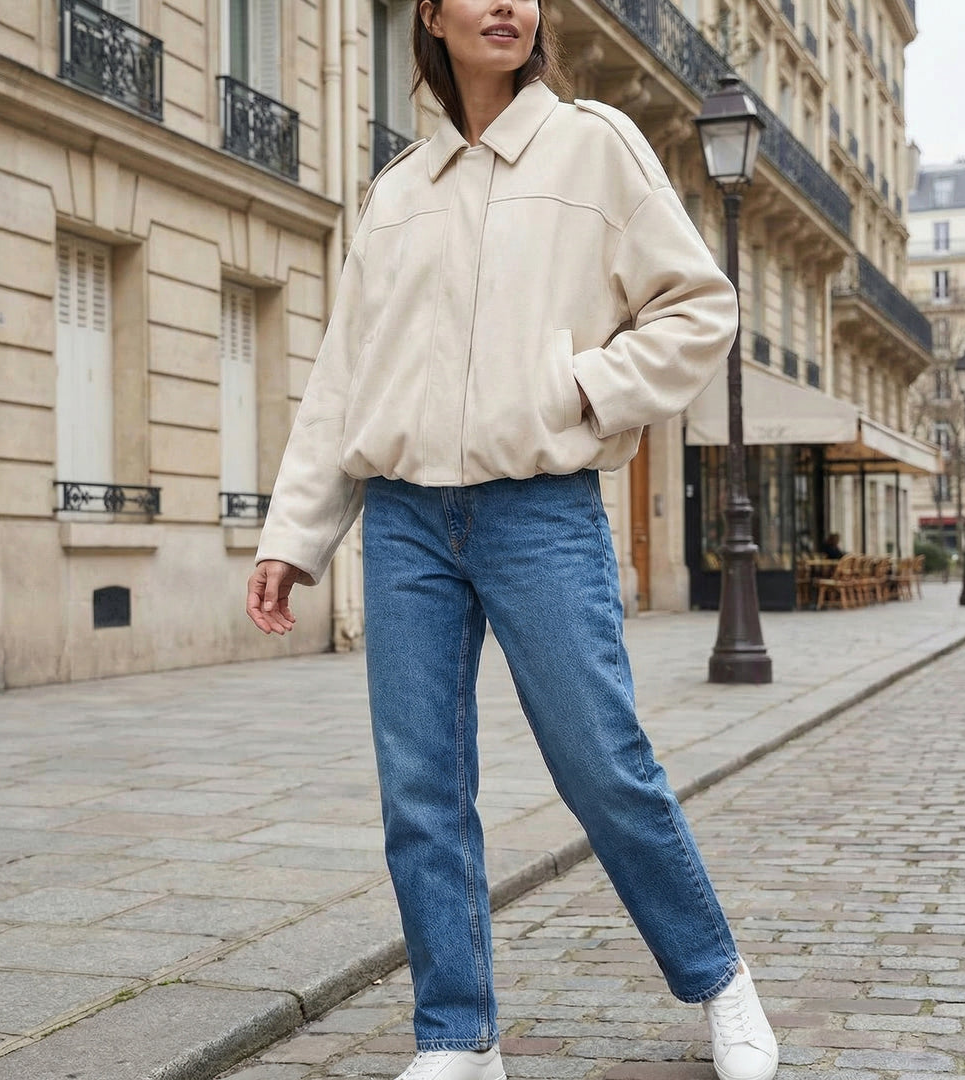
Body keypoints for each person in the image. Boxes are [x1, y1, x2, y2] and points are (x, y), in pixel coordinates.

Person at [246, 2, 779, 1080]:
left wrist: (577, 386)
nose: (508, 5)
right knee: (422, 791)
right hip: (402, 523)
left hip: (538, 511)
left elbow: (696, 308)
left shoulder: (593, 144)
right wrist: (293, 535)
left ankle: (719, 979)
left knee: (603, 766)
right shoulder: (394, 194)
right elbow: (345, 379)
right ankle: (458, 1035)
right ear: (430, 16)